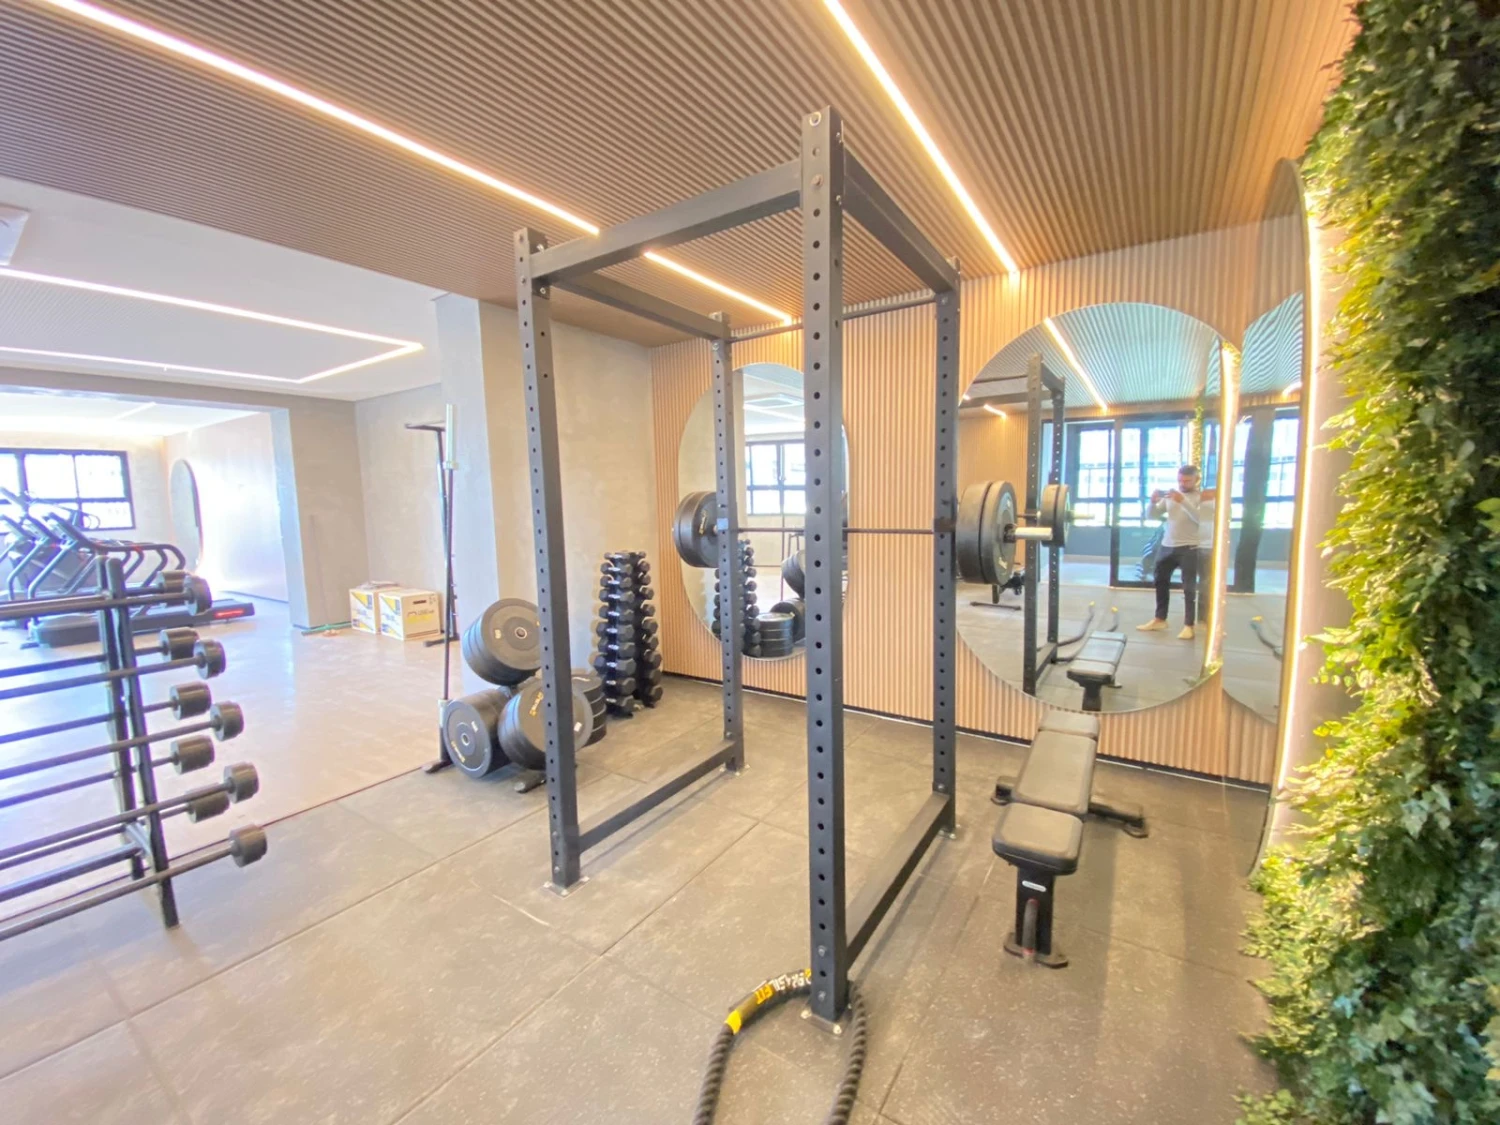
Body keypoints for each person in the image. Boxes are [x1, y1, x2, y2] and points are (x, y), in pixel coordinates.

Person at [1137, 464, 1205, 640]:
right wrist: (1152, 502)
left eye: (1187, 481)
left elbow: (1201, 519)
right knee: (1160, 580)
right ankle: (1160, 619)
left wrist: (1183, 501)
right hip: (1167, 545)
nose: (1183, 484)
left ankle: (1189, 625)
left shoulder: (1201, 498)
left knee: (1188, 587)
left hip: (1190, 546)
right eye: (1180, 480)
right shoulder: (1171, 497)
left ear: (1197, 480)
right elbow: (1151, 516)